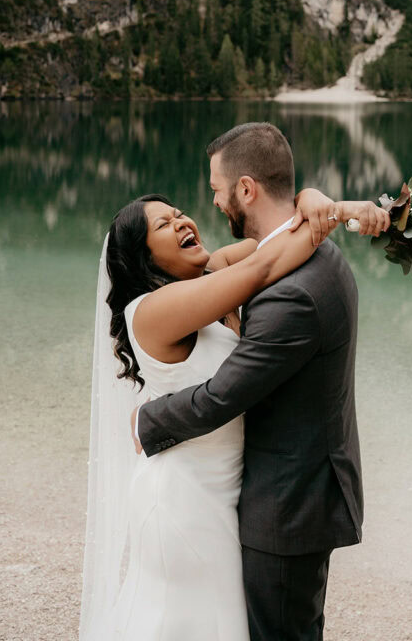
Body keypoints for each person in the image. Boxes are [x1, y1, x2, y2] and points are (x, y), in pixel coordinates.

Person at [79, 122, 388, 641]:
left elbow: (279, 238)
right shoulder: (154, 309)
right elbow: (266, 265)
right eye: (163, 225)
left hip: (227, 492)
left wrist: (317, 201)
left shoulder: (210, 274)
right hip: (183, 495)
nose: (185, 219)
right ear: (144, 256)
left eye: (179, 212)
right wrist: (329, 210)